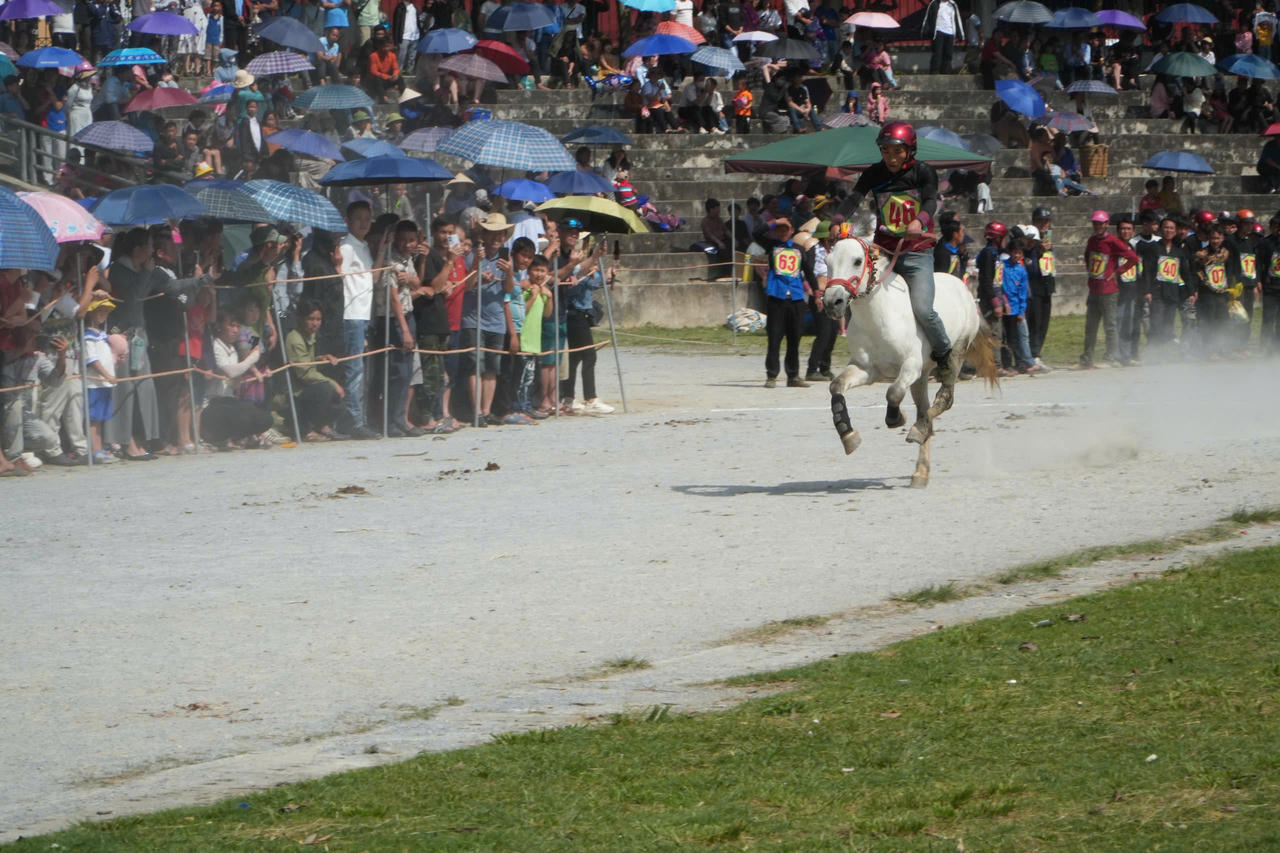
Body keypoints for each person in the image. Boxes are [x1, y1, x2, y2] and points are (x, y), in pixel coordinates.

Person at [837, 121, 956, 398]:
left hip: (916, 252)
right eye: (886, 151)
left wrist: (920, 220)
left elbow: (929, 201)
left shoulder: (924, 172)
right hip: (885, 249)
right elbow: (855, 196)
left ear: (910, 151)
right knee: (861, 293)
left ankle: (944, 355)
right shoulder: (874, 174)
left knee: (923, 309)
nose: (890, 158)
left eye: (896, 152)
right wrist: (838, 219)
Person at [554, 221, 615, 413]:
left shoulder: (580, 260)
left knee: (576, 357)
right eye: (570, 232)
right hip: (573, 311)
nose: (574, 235)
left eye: (576, 233)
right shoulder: (567, 258)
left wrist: (606, 276)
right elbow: (576, 273)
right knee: (589, 355)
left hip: (582, 311)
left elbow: (590, 282)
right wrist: (594, 257)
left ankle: (569, 396)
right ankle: (590, 397)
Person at [337, 201, 381, 440]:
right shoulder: (346, 247)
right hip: (351, 313)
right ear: (349, 221)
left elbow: (373, 279)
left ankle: (359, 418)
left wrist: (382, 249)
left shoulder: (363, 246)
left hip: (364, 313)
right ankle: (354, 421)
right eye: (359, 218)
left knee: (361, 371)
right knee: (353, 371)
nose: (364, 223)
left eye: (367, 218)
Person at [754, 218, 808, 388]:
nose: (783, 232)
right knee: (774, 339)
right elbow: (756, 233)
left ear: (792, 230)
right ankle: (771, 376)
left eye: (786, 229)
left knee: (794, 340)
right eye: (780, 230)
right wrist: (774, 221)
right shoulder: (772, 246)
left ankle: (793, 376)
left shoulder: (799, 249)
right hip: (777, 298)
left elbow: (809, 271)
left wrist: (816, 292)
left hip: (796, 299)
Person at [1081, 210, 1138, 368]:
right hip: (1094, 289)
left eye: (1101, 223)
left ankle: (1109, 357)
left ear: (1106, 224)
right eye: (1095, 224)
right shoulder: (1092, 240)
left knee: (1110, 325)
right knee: (1090, 326)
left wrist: (1117, 272)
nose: (1098, 226)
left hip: (1109, 291)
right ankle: (1087, 358)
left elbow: (1133, 258)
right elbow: (1088, 257)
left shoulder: (1113, 241)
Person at [286, 298, 348, 441]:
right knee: (326, 389)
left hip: (306, 387)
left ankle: (323, 426)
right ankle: (305, 430)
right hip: (294, 392)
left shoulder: (310, 335)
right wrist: (333, 384)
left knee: (338, 397)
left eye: (318, 319)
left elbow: (307, 361)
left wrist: (321, 358)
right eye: (311, 319)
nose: (315, 324)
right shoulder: (295, 338)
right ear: (301, 319)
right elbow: (305, 373)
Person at [1025, 206, 1054, 368]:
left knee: (1044, 322)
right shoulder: (1031, 242)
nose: (1043, 225)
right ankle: (1032, 354)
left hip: (1047, 286)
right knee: (1034, 322)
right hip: (1033, 288)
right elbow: (1030, 265)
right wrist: (1039, 250)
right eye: (1040, 221)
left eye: (1046, 221)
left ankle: (1037, 353)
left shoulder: (1049, 240)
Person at [1001, 245, 1037, 373]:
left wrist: (1021, 311)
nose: (1016, 255)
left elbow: (1023, 293)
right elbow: (1000, 285)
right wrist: (1005, 302)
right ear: (1010, 252)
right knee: (1006, 338)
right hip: (1005, 307)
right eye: (1014, 252)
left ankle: (1021, 362)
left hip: (1016, 309)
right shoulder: (1003, 266)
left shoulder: (1021, 271)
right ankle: (1007, 364)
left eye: (1019, 253)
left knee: (1018, 337)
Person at [922, 0, 961, 75]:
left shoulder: (952, 4)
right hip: (938, 31)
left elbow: (957, 19)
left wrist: (960, 34)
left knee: (948, 53)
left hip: (950, 32)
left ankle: (946, 72)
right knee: (937, 52)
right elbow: (928, 17)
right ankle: (934, 72)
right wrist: (926, 30)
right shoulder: (934, 3)